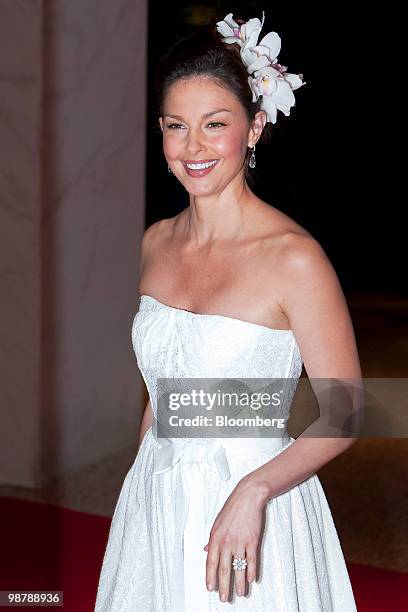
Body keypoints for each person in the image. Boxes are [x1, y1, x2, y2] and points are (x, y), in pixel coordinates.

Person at [94, 11, 362, 611]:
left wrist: (255, 490)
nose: (193, 148)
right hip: (159, 498)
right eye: (175, 126)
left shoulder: (293, 258)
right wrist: (139, 493)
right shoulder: (155, 243)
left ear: (254, 128)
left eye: (214, 124)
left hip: (256, 508)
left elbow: (347, 412)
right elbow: (164, 394)